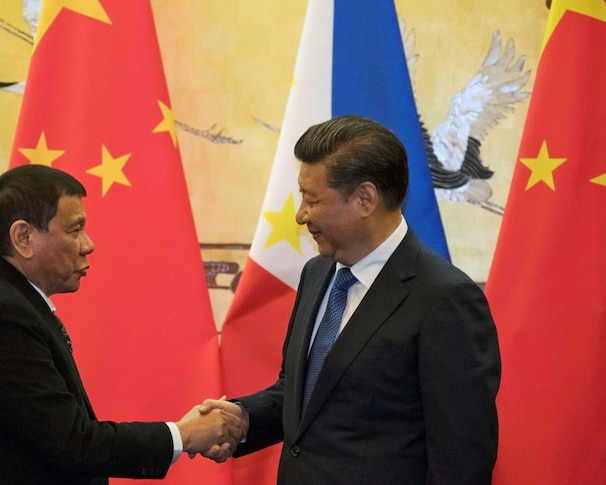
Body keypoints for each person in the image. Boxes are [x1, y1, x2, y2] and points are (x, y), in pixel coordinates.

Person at [202, 115, 501, 484]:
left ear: (365, 198)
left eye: (312, 200)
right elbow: (304, 394)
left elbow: (462, 460)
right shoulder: (316, 273)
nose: (300, 215)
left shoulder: (445, 298)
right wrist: (243, 418)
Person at [0, 165, 242, 484]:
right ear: (23, 237)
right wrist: (183, 435)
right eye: (75, 230)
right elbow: (73, 444)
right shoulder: (0, 317)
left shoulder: (4, 300)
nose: (88, 245)